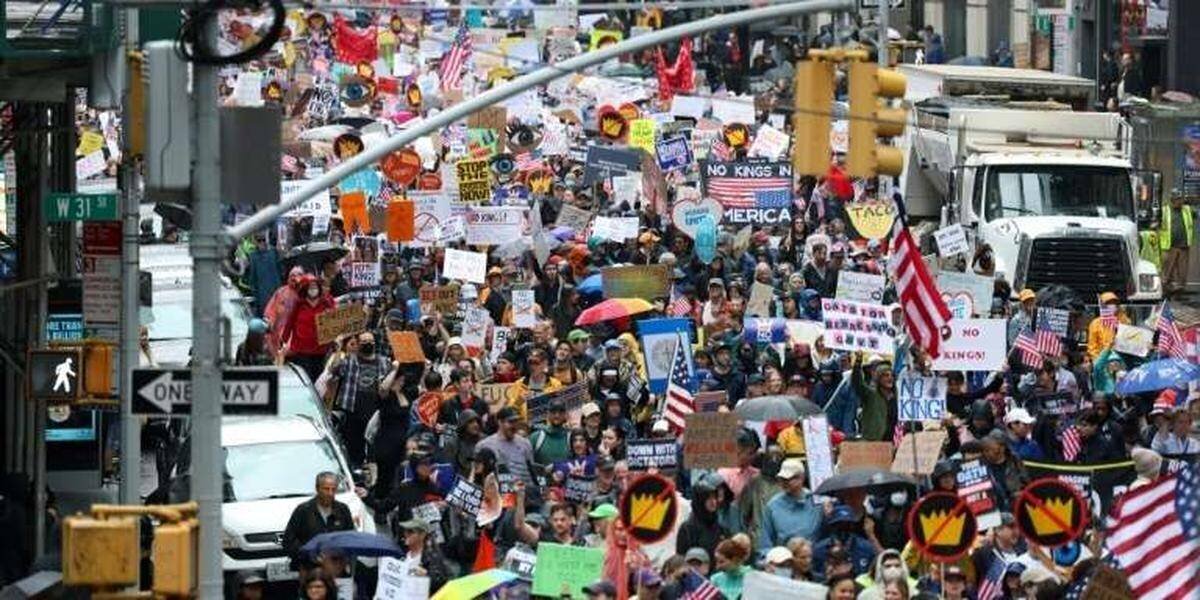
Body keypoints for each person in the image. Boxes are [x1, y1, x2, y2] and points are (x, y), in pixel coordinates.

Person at [282, 472, 354, 572]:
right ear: (317, 488)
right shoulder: (303, 510)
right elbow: (288, 541)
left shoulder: (342, 510)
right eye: (326, 489)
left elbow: (350, 538)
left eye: (333, 489)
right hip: (308, 570)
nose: (330, 493)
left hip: (335, 569)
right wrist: (309, 554)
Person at [757, 459, 823, 558]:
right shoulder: (773, 506)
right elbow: (765, 544)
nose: (785, 482)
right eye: (782, 479)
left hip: (813, 560)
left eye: (790, 479)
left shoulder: (817, 502)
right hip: (785, 562)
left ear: (802, 478)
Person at [477, 407, 537, 490]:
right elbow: (478, 478)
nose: (514, 426)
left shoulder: (525, 443)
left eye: (516, 421)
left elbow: (532, 473)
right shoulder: (485, 445)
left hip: (525, 495)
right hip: (500, 497)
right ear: (500, 422)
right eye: (511, 422)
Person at [396, 518, 450, 593]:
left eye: (410, 532)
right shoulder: (402, 555)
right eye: (405, 531)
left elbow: (443, 582)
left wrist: (426, 575)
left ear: (422, 535)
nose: (406, 534)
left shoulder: (432, 557)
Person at [1159, 189, 1194, 298]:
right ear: (1172, 200)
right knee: (1168, 270)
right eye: (1177, 199)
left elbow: (1195, 214)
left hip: (1184, 246)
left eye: (1181, 199)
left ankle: (1179, 293)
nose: (1180, 202)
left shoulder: (1187, 210)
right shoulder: (1164, 210)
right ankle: (1165, 292)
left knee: (1182, 271)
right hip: (1169, 246)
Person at [709, 534, 753, 599]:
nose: (717, 567)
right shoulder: (715, 579)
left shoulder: (752, 578)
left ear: (735, 560)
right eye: (716, 561)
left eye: (722, 562)